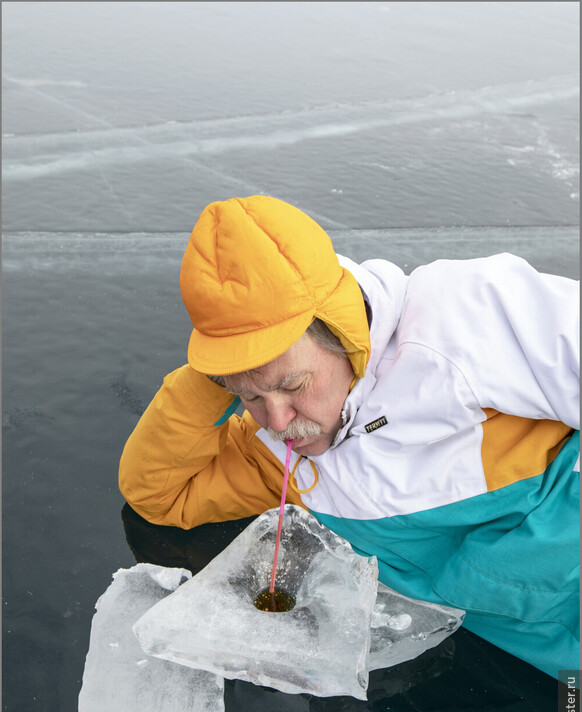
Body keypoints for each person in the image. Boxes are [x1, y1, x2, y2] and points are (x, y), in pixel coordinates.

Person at [119, 195, 580, 679]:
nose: (277, 421)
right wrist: (218, 370)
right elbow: (159, 496)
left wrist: (531, 557)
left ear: (344, 332)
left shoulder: (463, 317)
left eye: (294, 385)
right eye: (249, 396)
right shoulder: (275, 452)